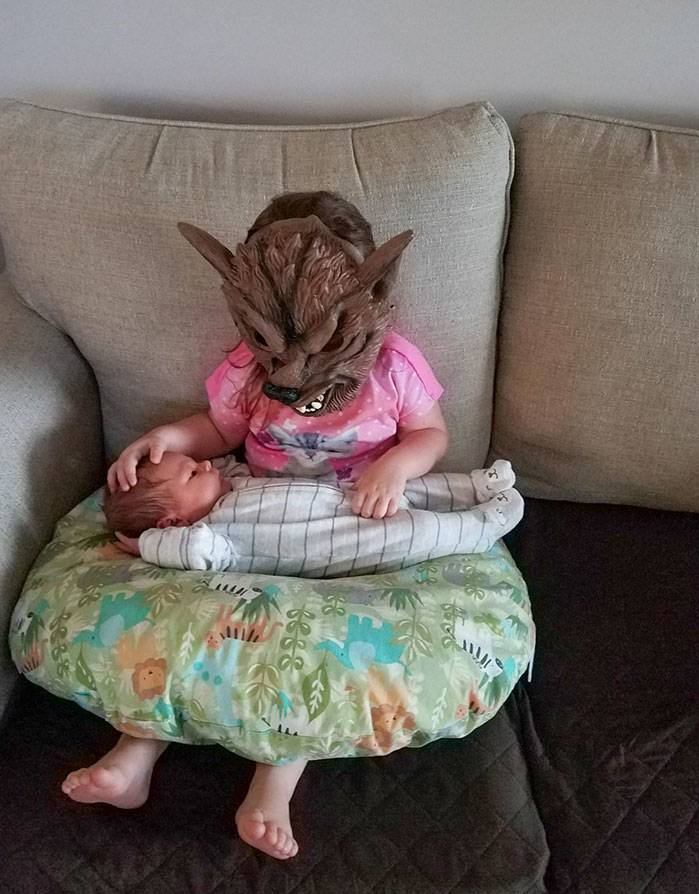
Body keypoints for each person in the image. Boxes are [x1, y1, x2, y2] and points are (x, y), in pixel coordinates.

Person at [62, 191, 522, 860]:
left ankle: (272, 788)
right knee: (183, 635)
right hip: (246, 517)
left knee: (312, 655)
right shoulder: (249, 370)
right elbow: (218, 429)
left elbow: (429, 434)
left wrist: (396, 467)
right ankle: (133, 755)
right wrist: (165, 438)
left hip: (347, 522)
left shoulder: (392, 366)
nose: (294, 368)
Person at [104, 452, 522, 576]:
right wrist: (145, 544)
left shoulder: (228, 484)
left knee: (407, 488)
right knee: (418, 532)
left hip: (343, 496)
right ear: (171, 522)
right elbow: (187, 548)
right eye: (193, 473)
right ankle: (483, 526)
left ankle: (475, 486)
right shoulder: (211, 540)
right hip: (347, 546)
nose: (207, 466)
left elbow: (226, 461)